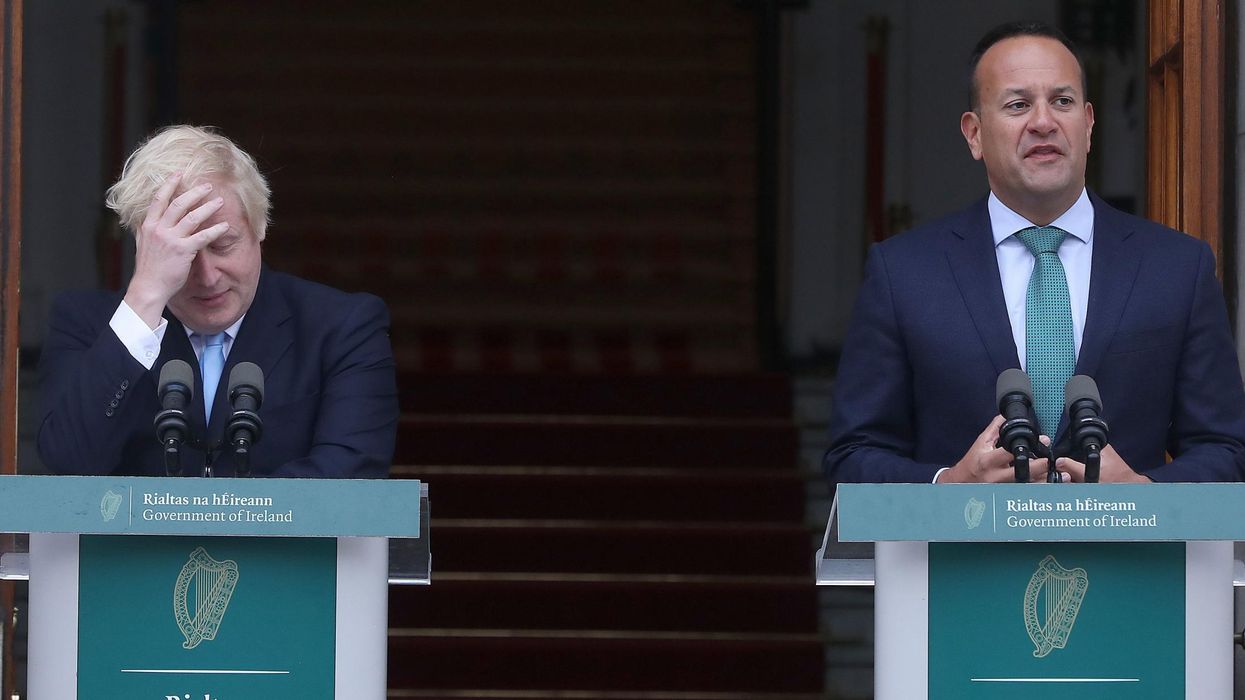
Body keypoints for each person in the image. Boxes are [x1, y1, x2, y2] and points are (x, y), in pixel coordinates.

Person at [825, 21, 1245, 484]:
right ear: (974, 134)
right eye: (1018, 104)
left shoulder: (1177, 268)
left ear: (1087, 125)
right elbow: (853, 454)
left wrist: (1144, 493)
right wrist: (948, 486)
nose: (1043, 122)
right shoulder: (903, 273)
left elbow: (1225, 449)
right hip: (963, 555)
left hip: (1129, 555)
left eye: (1062, 101)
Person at [37, 125, 399, 478]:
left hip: (280, 542)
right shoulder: (86, 324)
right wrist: (144, 300)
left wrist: (218, 513)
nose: (208, 276)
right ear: (146, 248)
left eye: (223, 245)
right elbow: (70, 461)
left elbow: (352, 471)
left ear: (259, 228)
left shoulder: (341, 326)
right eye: (184, 253)